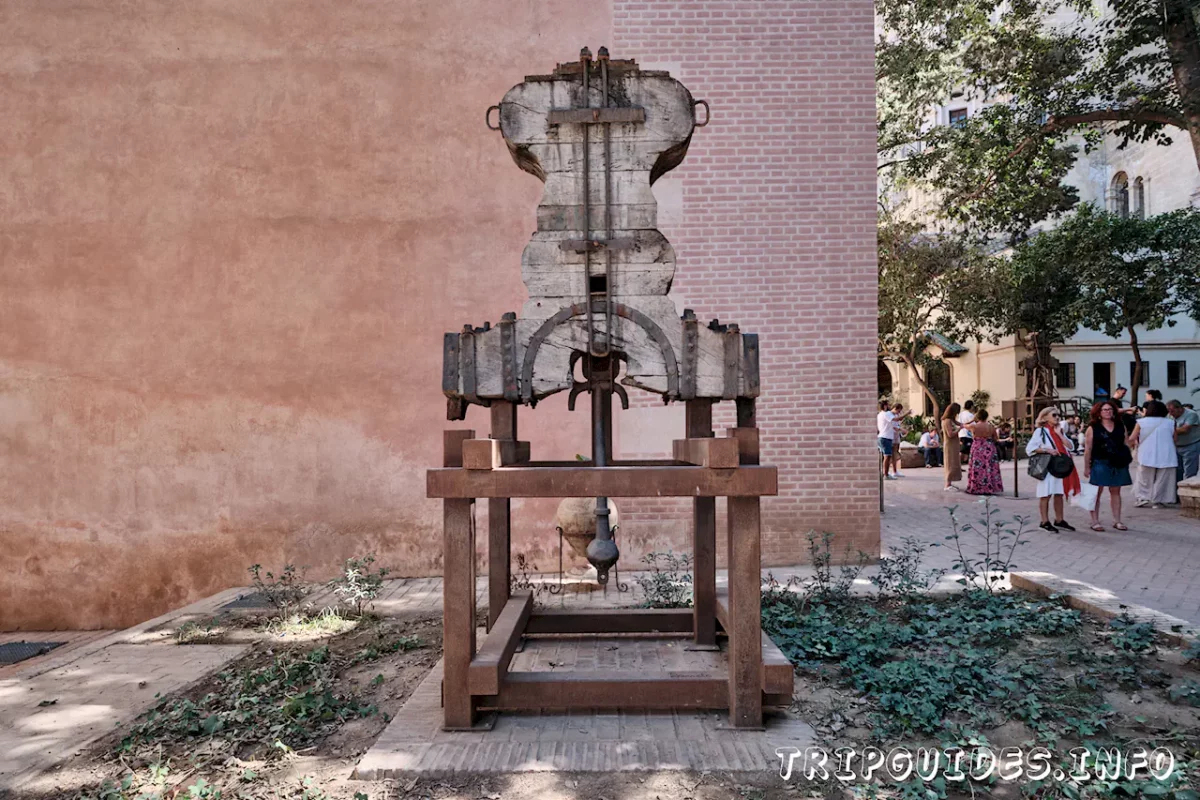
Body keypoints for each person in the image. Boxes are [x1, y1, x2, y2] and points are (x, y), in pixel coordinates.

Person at [1026, 407, 1080, 532]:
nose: (1057, 417)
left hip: (1060, 467)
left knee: (1059, 494)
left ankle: (1059, 519)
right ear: (1045, 417)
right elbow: (1030, 449)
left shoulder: (1058, 430)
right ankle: (1044, 521)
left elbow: (1071, 447)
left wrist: (1060, 435)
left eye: (1058, 415)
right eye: (1054, 415)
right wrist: (1047, 450)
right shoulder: (1041, 432)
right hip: (1048, 467)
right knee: (1045, 494)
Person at [1083, 400, 1132, 531]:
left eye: (1110, 409)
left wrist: (1127, 458)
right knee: (1096, 493)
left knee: (1116, 491)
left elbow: (1126, 443)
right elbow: (1088, 449)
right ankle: (1095, 521)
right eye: (1104, 410)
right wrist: (1087, 467)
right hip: (1100, 462)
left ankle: (1117, 520)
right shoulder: (1093, 428)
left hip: (1118, 462)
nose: (1108, 412)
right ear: (1098, 413)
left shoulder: (1120, 426)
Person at [1129, 400, 1178, 508]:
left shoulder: (1141, 422)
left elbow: (1132, 438)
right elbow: (1175, 439)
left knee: (1144, 477)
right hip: (1166, 453)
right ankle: (1159, 500)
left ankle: (1142, 497)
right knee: (1164, 478)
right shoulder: (1170, 422)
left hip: (1147, 453)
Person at [965, 409, 1004, 495]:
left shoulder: (973, 426)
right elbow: (995, 438)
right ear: (986, 416)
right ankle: (989, 487)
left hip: (977, 447)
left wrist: (972, 420)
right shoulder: (991, 427)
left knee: (977, 468)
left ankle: (976, 487)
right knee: (989, 467)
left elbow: (964, 425)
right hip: (989, 447)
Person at [1168, 399, 1200, 482]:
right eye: (1169, 411)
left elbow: (1184, 429)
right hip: (1176, 446)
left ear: (1179, 408)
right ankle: (1177, 492)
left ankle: (1188, 492)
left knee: (1189, 472)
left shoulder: (1191, 414)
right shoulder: (1170, 415)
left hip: (1190, 445)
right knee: (1177, 472)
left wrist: (1168, 430)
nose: (1171, 414)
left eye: (1172, 411)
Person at [941, 403, 963, 491]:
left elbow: (961, 423)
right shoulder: (947, 421)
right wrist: (959, 429)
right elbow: (950, 434)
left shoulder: (951, 420)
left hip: (954, 445)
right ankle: (947, 484)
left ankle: (950, 483)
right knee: (949, 463)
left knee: (954, 463)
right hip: (950, 445)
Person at [877, 401, 897, 481]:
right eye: (888, 405)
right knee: (887, 456)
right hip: (885, 438)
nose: (889, 406)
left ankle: (883, 473)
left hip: (883, 437)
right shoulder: (885, 414)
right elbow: (897, 419)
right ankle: (886, 474)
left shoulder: (880, 414)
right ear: (885, 406)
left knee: (885, 456)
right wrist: (907, 413)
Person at [891, 403, 908, 477]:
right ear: (895, 408)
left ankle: (895, 470)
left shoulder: (896, 415)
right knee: (892, 454)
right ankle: (891, 470)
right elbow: (893, 426)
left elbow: (899, 420)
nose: (899, 413)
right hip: (892, 436)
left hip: (897, 435)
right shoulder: (890, 415)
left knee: (896, 452)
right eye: (898, 411)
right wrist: (902, 429)